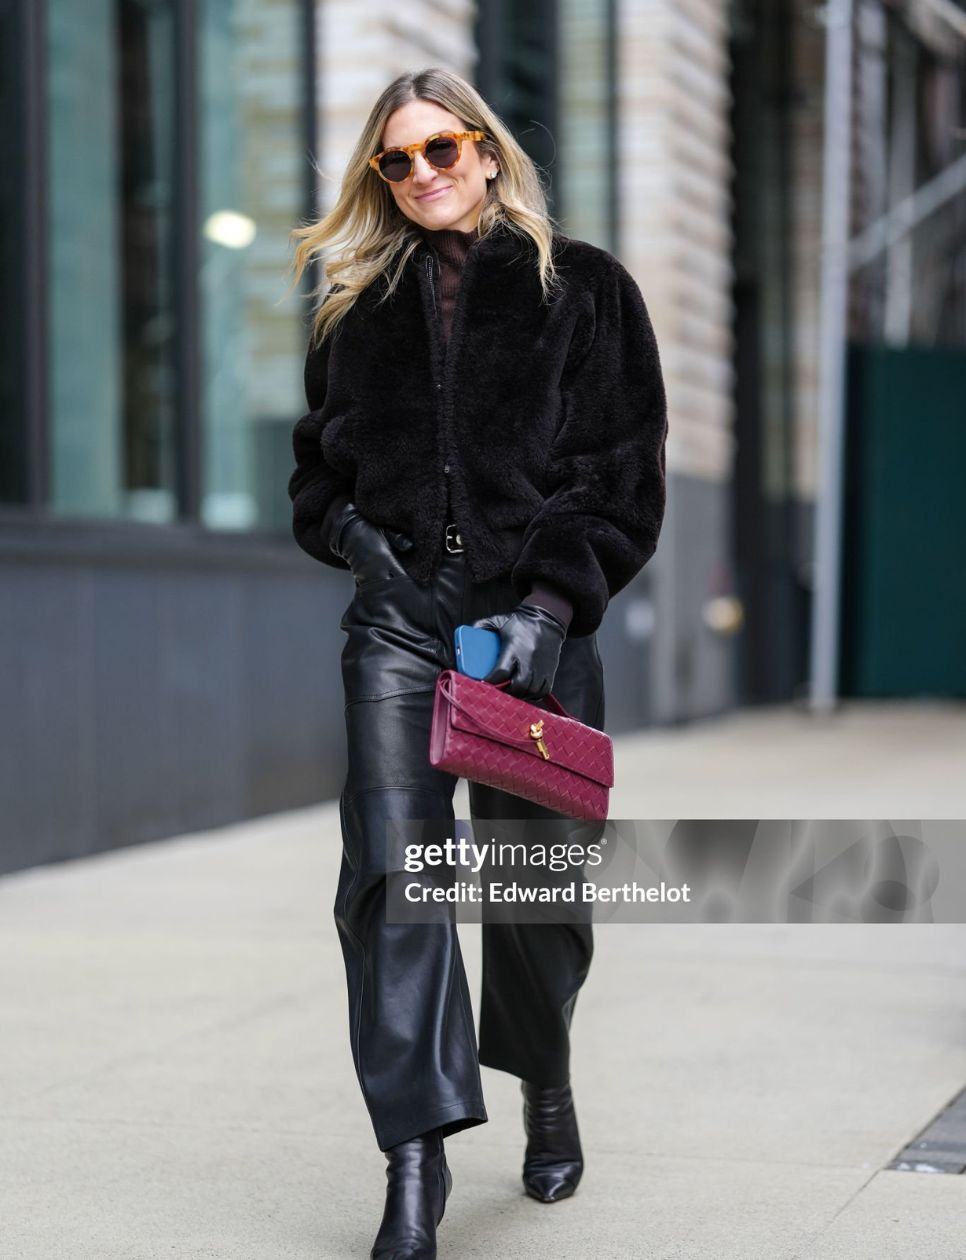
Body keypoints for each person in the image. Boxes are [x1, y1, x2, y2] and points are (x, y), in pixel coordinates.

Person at [287, 66, 667, 1260]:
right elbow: (316, 473)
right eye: (394, 163)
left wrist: (550, 612)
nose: (421, 177)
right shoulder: (355, 305)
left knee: (537, 887)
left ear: (488, 153)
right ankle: (416, 1163)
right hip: (401, 624)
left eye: (441, 150)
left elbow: (623, 474)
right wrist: (357, 544)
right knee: (393, 881)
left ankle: (544, 1076)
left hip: (533, 625)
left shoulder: (586, 290)